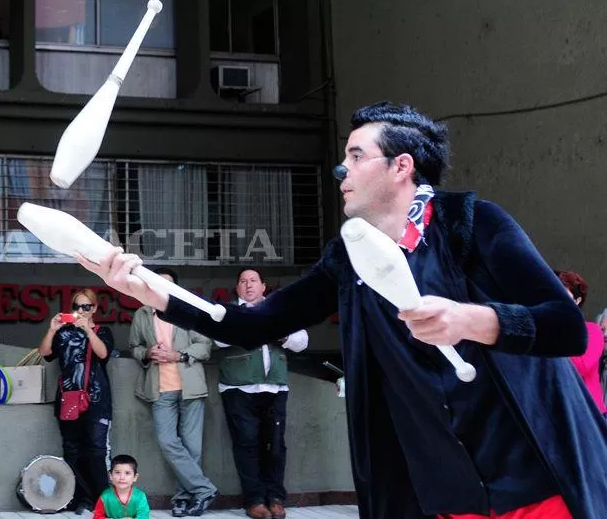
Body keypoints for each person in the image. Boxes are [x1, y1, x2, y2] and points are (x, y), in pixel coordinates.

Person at [77, 102, 607, 519]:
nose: (341, 170)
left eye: (356, 156)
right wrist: (151, 291)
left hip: (533, 472)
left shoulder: (471, 223)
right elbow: (251, 323)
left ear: (402, 166)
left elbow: (565, 327)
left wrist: (473, 319)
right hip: (445, 486)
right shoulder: (347, 256)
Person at [215, 268, 308, 519]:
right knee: (246, 445)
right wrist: (245, 324)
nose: (248, 285)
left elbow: (302, 340)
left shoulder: (280, 309)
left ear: (263, 286)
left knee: (276, 446)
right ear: (237, 288)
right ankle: (254, 500)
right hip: (238, 388)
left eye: (253, 281)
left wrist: (283, 333)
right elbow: (217, 340)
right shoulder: (229, 311)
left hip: (275, 388)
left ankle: (275, 498)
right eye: (243, 281)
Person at [129, 268, 217, 517]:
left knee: (192, 448)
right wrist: (147, 353)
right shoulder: (143, 313)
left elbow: (205, 346)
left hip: (190, 388)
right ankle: (204, 490)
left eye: (167, 283)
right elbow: (134, 346)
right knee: (168, 442)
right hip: (159, 389)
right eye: (157, 282)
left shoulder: (189, 310)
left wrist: (177, 355)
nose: (161, 286)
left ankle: (182, 499)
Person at [39, 288, 114, 515]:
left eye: (86, 307)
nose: (81, 311)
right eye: (77, 307)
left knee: (96, 451)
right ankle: (80, 499)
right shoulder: (63, 333)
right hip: (68, 397)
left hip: (97, 397)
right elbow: (45, 352)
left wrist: (88, 331)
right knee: (71, 450)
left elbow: (103, 354)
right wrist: (52, 330)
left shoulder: (103, 331)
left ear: (94, 309)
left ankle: (102, 501)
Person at [555, 270, 607, 417]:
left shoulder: (592, 330)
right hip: (561, 409)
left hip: (589, 414)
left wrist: (547, 347)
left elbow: (581, 365)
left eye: (563, 293)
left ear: (577, 301)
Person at [93, 454, 151, 519]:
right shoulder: (105, 497)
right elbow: (97, 517)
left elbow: (144, 516)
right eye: (117, 472)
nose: (122, 477)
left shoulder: (140, 496)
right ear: (111, 476)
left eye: (127, 473)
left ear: (135, 477)